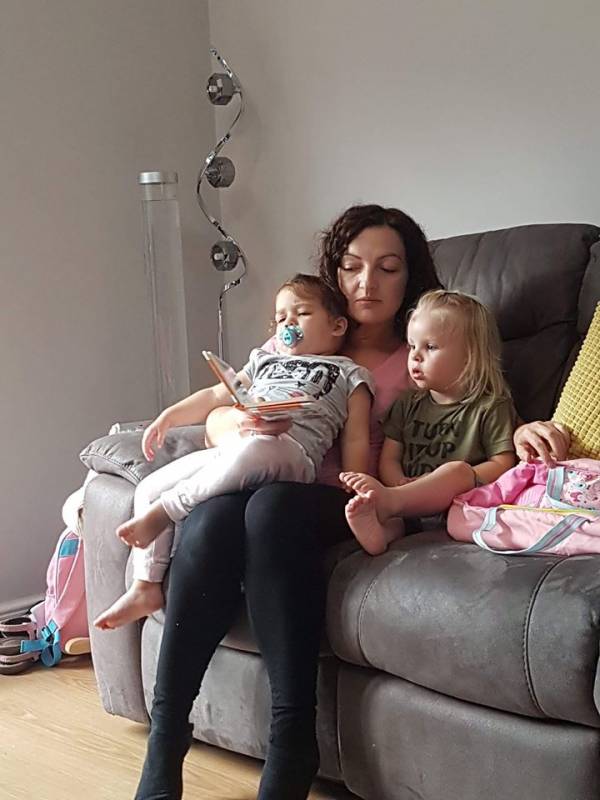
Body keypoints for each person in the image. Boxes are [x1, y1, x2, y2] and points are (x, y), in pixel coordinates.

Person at [129, 205, 570, 800]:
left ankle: (291, 740)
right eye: (352, 267)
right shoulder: (301, 334)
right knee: (209, 518)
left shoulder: (423, 351)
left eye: (387, 269)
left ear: (410, 276)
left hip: (341, 497)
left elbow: (479, 408)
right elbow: (223, 408)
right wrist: (239, 425)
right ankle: (165, 742)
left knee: (270, 510)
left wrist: (528, 430)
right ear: (334, 273)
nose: (367, 283)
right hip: (261, 476)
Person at [94, 274, 373, 630]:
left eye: (301, 314)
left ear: (337, 326)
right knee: (149, 488)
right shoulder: (264, 361)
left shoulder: (351, 374)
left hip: (292, 453)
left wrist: (355, 478)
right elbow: (215, 395)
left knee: (255, 449)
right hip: (240, 446)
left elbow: (356, 437)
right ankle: (145, 585)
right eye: (281, 318)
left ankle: (170, 509)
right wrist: (169, 417)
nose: (289, 325)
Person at [340, 289, 517, 554]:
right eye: (412, 346)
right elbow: (390, 458)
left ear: (470, 356)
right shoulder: (407, 403)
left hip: (460, 502)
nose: (415, 356)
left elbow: (503, 462)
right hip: (409, 502)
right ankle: (380, 533)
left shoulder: (490, 406)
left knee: (456, 470)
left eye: (430, 347)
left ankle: (389, 503)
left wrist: (459, 479)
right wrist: (399, 482)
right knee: (396, 522)